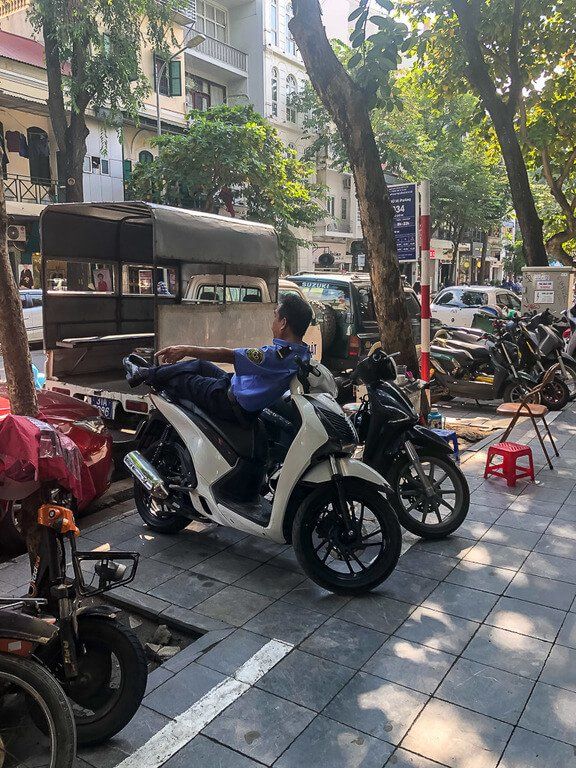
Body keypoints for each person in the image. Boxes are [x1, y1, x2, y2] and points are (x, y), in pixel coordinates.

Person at [124, 293, 313, 425]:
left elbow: (228, 355)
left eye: (275, 317)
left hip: (228, 402)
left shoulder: (278, 356)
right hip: (233, 384)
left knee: (181, 380)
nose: (272, 322)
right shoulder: (302, 353)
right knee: (199, 364)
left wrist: (186, 349)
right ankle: (146, 372)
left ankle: (144, 375)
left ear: (283, 323)